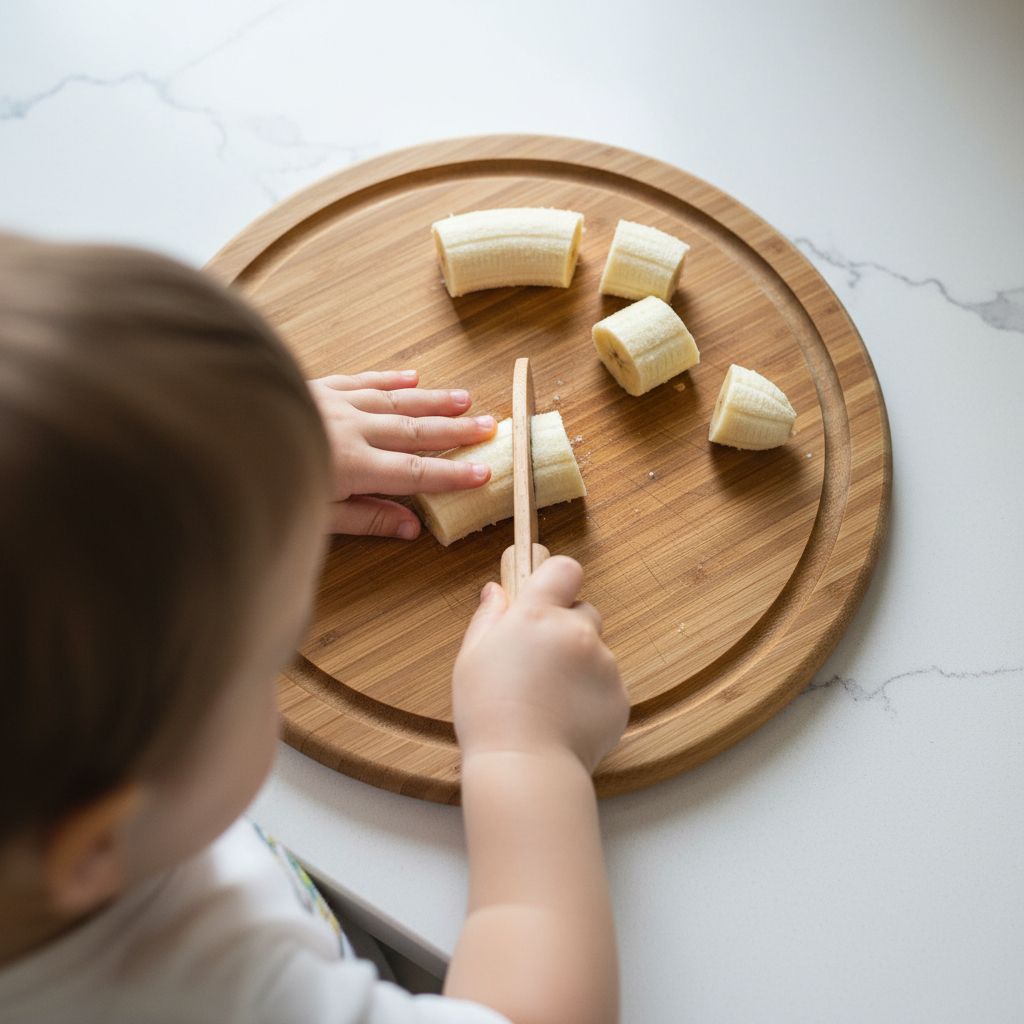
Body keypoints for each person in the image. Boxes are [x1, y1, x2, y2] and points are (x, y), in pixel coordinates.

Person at [0, 235, 630, 1024]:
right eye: (262, 658)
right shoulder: (209, 993)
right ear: (95, 843)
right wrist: (529, 755)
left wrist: (232, 461)